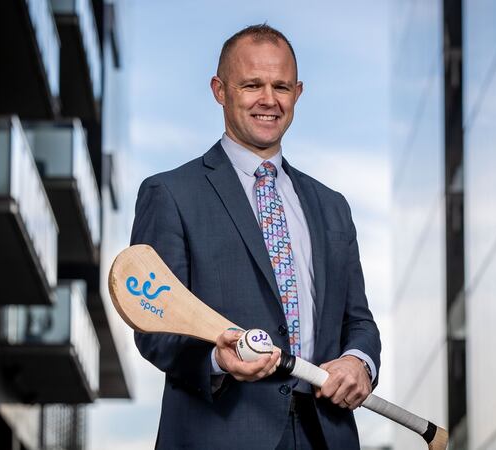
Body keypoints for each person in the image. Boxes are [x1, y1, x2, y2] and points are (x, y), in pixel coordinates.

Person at [131, 24, 381, 449]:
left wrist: (359, 362)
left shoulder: (332, 206)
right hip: (220, 432)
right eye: (252, 85)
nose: (269, 99)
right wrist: (216, 360)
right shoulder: (171, 194)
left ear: (298, 93)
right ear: (219, 90)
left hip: (326, 434)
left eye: (281, 86)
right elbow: (154, 324)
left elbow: (358, 320)